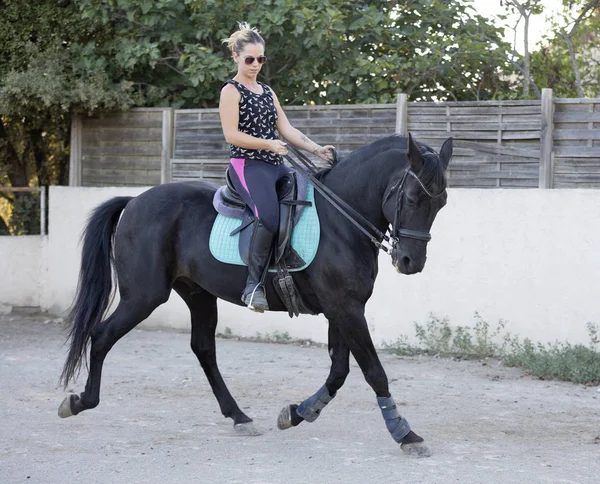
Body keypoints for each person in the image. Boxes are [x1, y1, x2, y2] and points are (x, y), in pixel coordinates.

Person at [219, 22, 335, 312]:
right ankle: (253, 286)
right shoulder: (230, 91)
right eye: (250, 59)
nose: (256, 64)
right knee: (268, 218)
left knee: (309, 199)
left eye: (261, 59)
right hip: (247, 165)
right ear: (235, 56)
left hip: (275, 164)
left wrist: (316, 148)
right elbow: (231, 135)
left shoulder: (267, 91)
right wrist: (267, 144)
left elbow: (287, 129)